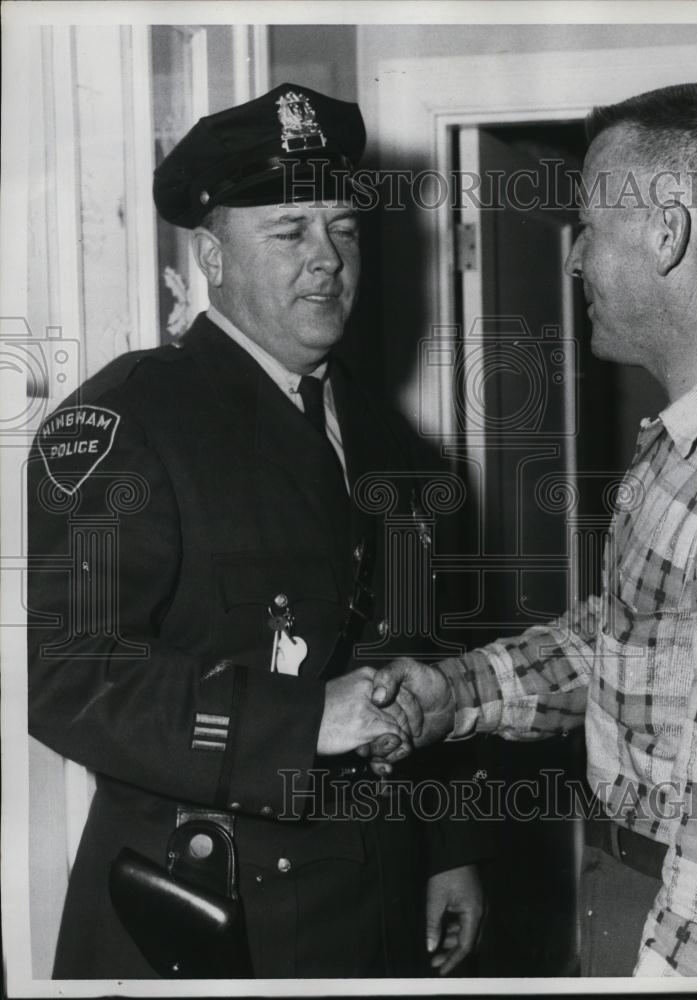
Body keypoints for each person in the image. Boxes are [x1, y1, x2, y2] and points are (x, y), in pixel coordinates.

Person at [27, 83, 485, 979]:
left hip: (377, 894)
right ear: (212, 256)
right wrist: (305, 721)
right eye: (289, 232)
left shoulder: (392, 441)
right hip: (216, 905)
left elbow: (421, 644)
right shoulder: (131, 421)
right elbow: (71, 678)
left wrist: (448, 846)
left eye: (343, 228)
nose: (327, 260)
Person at [369, 82, 697, 977]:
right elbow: (629, 644)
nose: (575, 259)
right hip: (630, 883)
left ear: (667, 234)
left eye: (590, 227)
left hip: (688, 922)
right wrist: (453, 693)